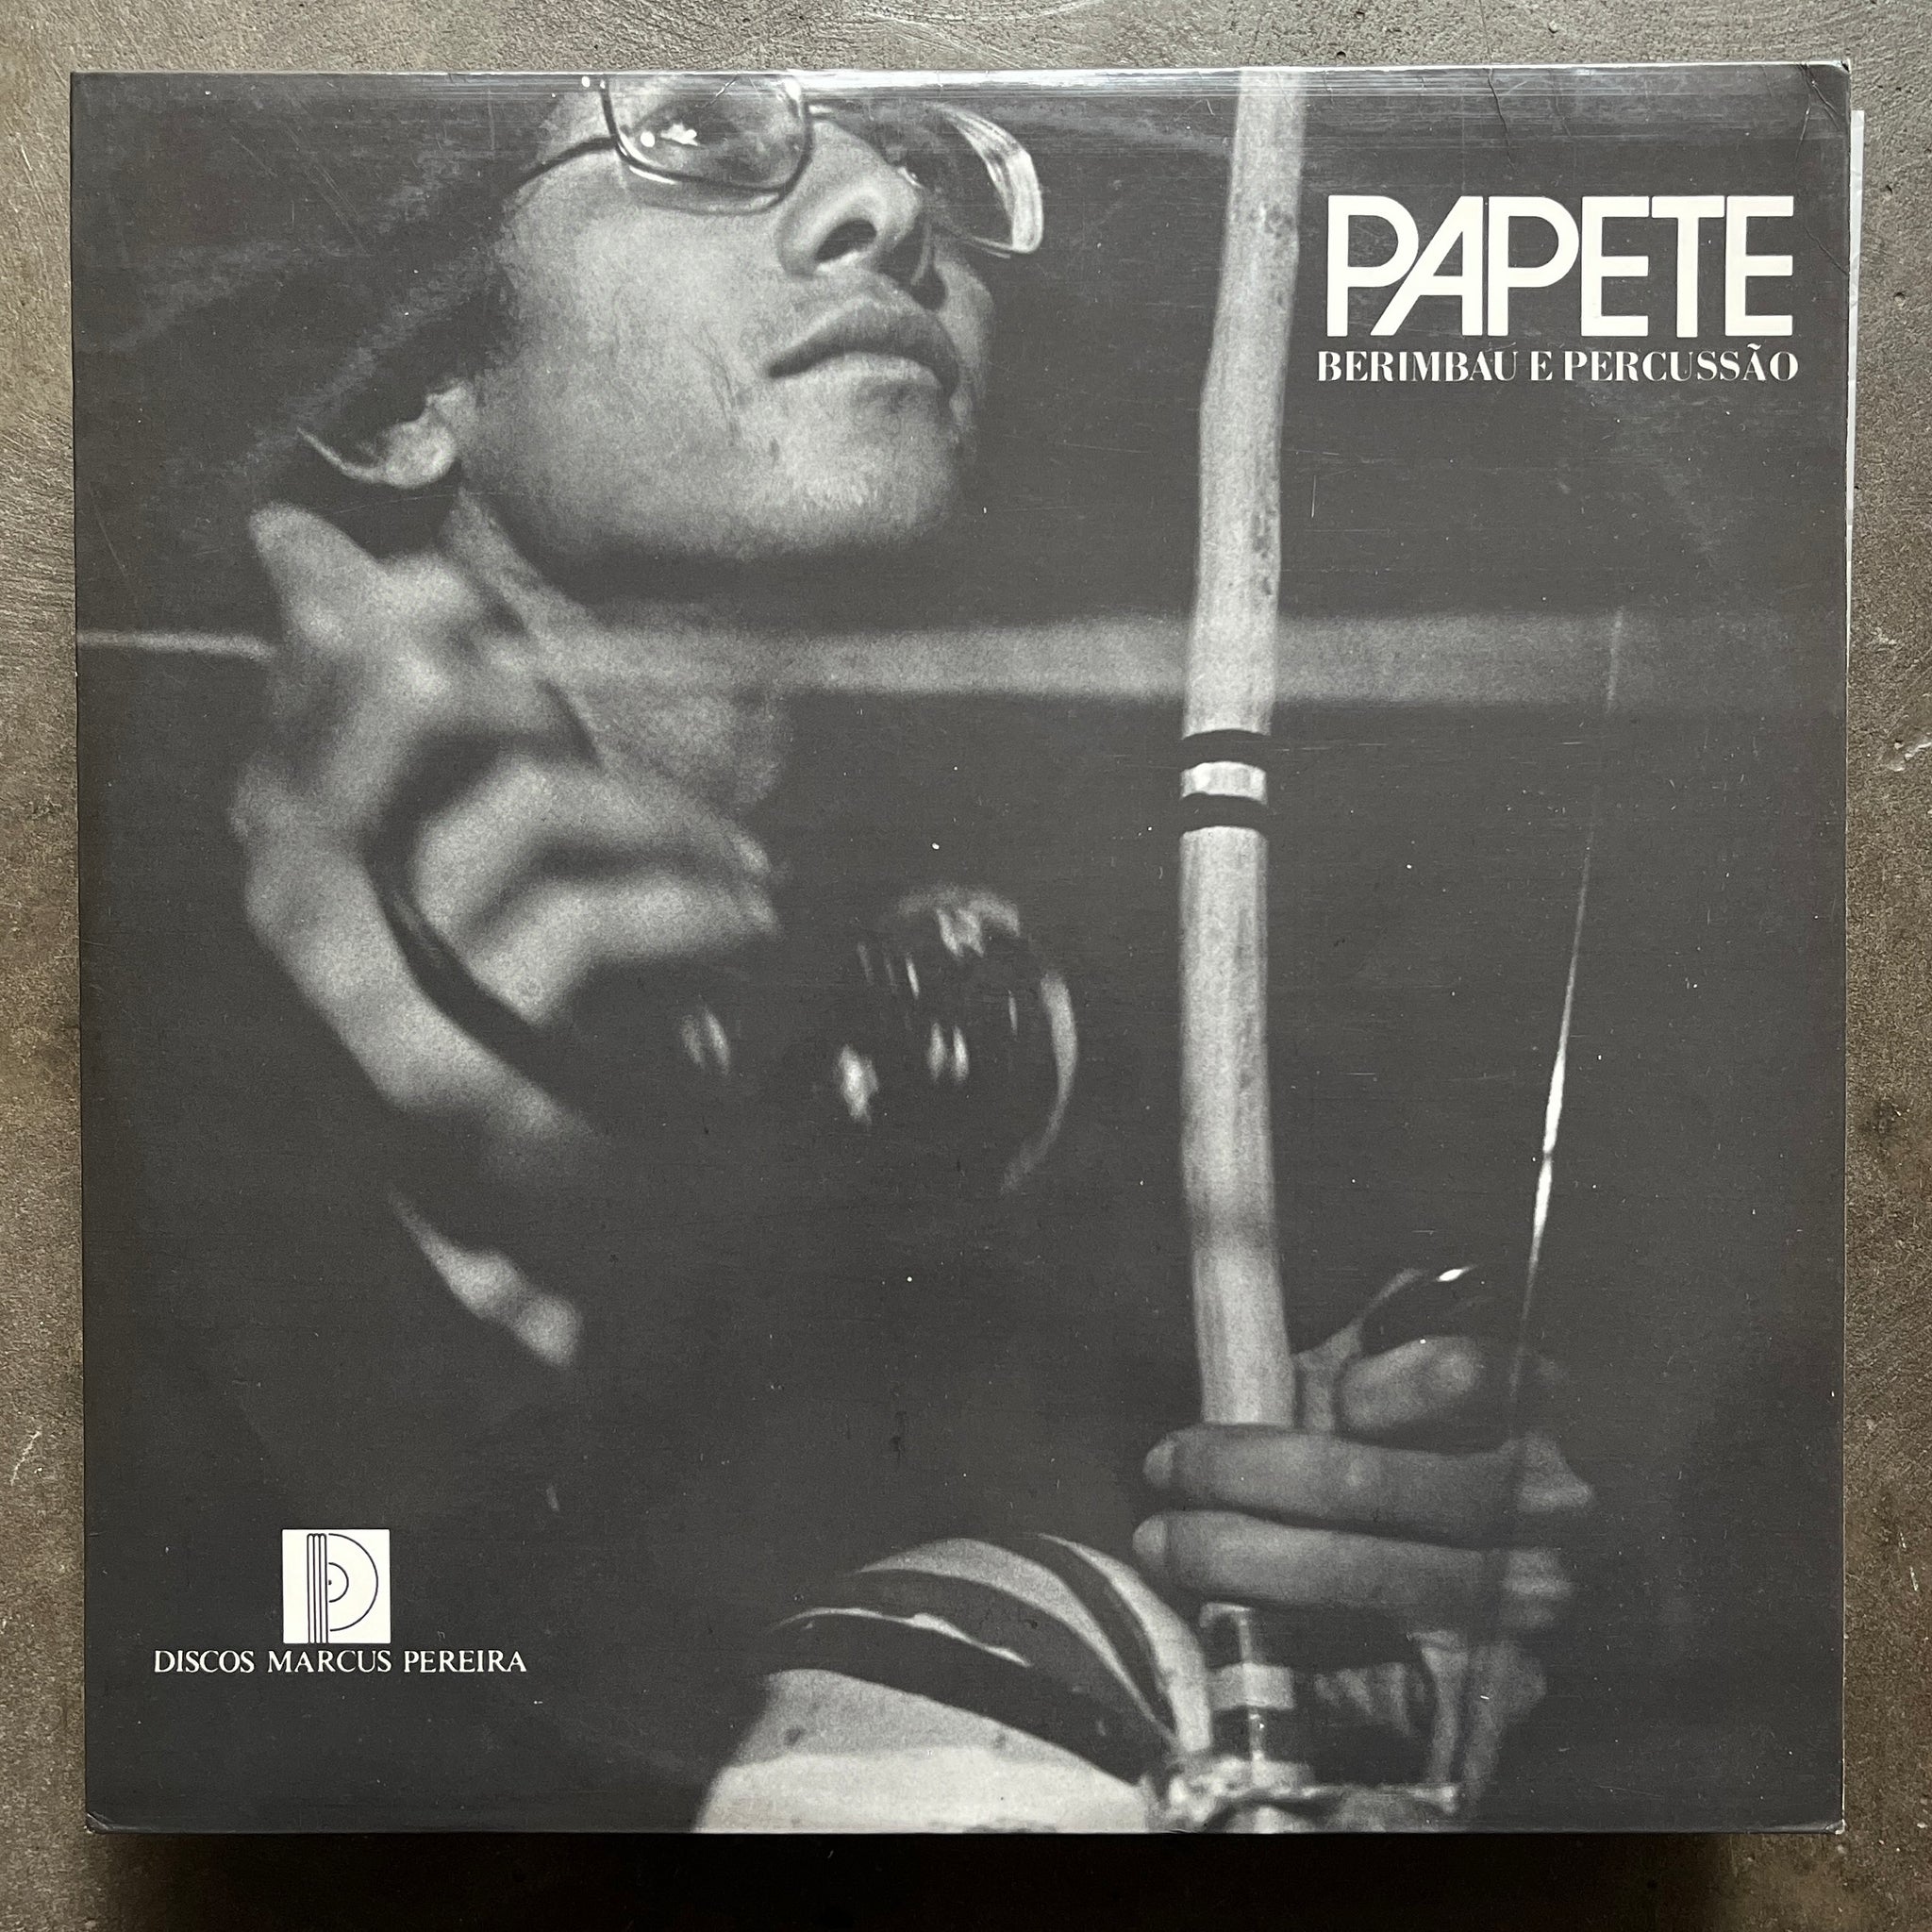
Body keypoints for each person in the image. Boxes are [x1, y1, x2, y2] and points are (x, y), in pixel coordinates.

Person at [89, 72, 1591, 1827]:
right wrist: (415, 1295)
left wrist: (1399, 1549)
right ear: (399, 398)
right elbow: (262, 1709)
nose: (892, 201)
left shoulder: (1086, 1031)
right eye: (702, 138)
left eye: (934, 148)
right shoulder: (141, 991)